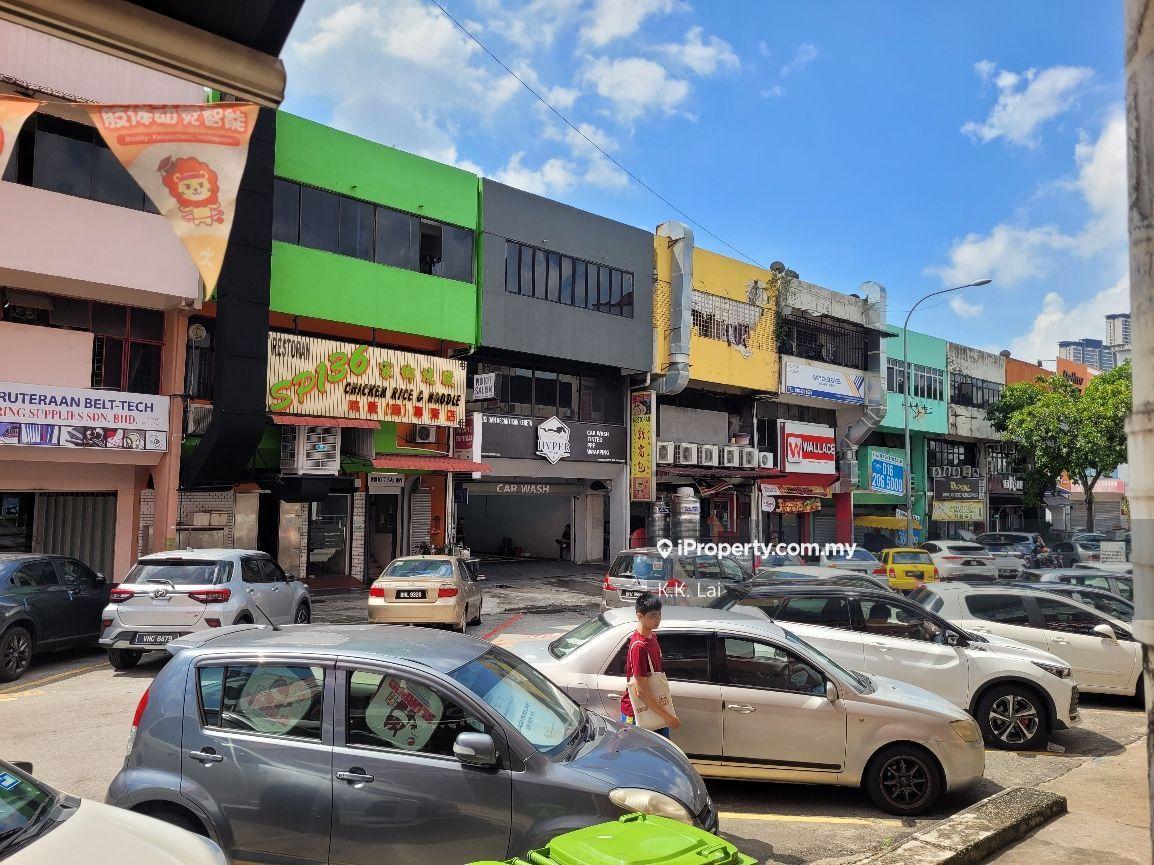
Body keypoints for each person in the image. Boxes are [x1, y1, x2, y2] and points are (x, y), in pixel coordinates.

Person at [620, 592, 680, 738]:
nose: (658, 619)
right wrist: (669, 718)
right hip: (638, 714)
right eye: (653, 616)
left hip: (654, 708)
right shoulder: (639, 646)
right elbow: (641, 692)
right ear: (640, 616)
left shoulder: (652, 637)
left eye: (659, 614)